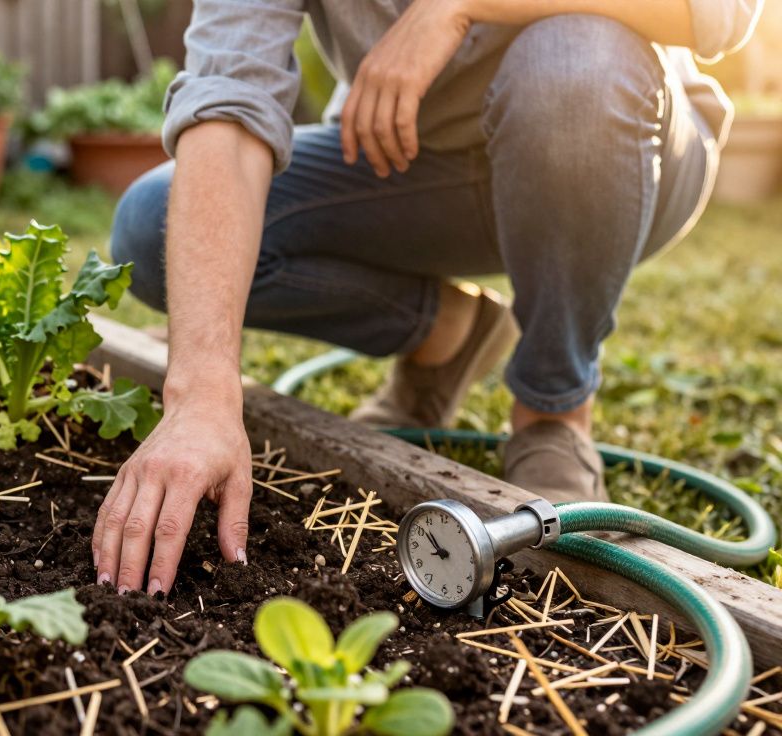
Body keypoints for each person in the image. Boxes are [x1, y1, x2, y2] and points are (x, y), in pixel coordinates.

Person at [92, 0, 763, 597]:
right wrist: (202, 394)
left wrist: (459, 6)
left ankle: (553, 410)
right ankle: (447, 332)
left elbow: (723, 13)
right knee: (154, 224)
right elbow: (228, 98)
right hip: (413, 162)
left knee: (573, 63)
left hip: (610, 133)